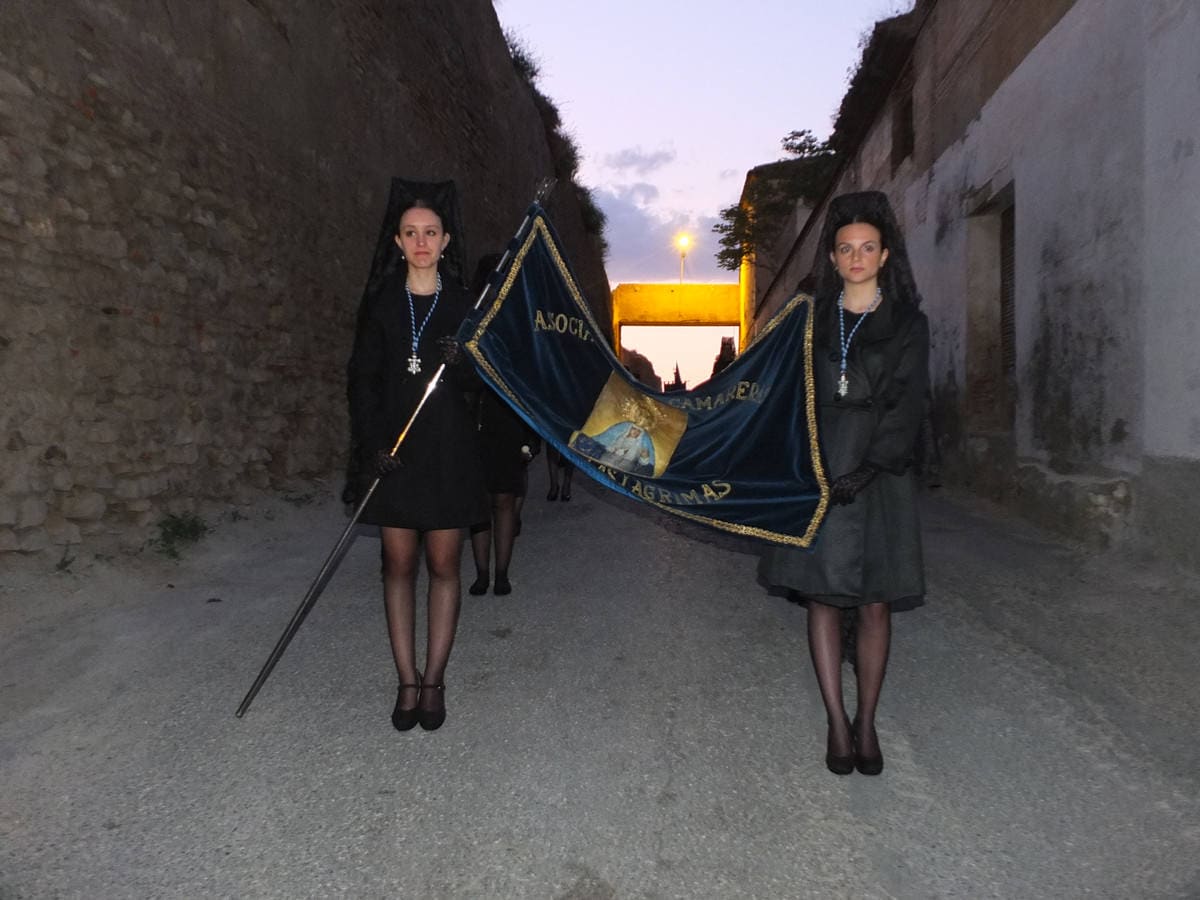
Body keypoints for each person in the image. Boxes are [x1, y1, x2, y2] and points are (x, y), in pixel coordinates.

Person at [759, 190, 930, 776]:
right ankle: (836, 720)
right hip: (821, 466)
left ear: (884, 256)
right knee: (824, 597)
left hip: (880, 475)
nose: (856, 257)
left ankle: (867, 720)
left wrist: (874, 463)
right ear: (832, 259)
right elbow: (778, 394)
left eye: (868, 248)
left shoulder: (909, 323)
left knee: (876, 601)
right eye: (845, 249)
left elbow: (909, 401)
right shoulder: (807, 321)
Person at [346, 179, 486, 733]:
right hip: (396, 454)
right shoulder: (381, 304)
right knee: (397, 565)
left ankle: (435, 679)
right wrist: (372, 444)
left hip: (448, 452)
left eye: (431, 232)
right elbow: (363, 381)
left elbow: (487, 385)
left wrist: (468, 362)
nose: (421, 241)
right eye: (411, 233)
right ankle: (406, 680)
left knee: (444, 565)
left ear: (446, 240)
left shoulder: (464, 306)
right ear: (398, 242)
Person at [468, 385, 539, 596]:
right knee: (480, 502)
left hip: (508, 417)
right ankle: (482, 573)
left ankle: (501, 573)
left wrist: (531, 437)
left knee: (504, 500)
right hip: (475, 420)